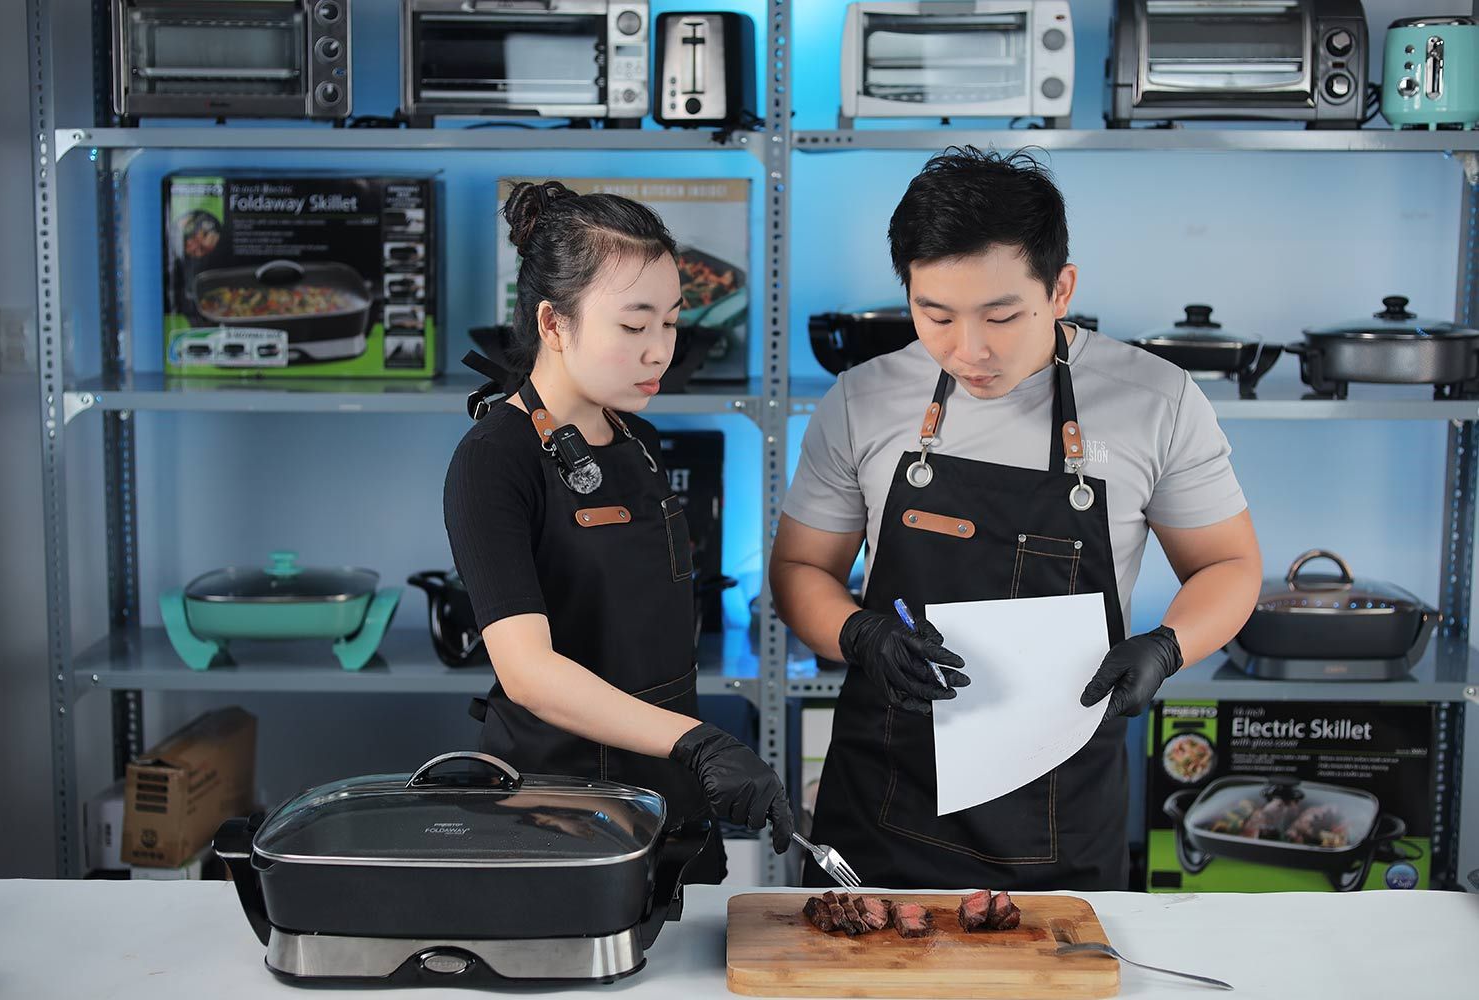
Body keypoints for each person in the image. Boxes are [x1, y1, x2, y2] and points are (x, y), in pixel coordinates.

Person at [769, 148, 1262, 891]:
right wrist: (856, 633)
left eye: (1002, 315)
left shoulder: (1156, 400)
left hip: (1060, 801)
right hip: (886, 795)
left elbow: (1228, 564)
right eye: (935, 315)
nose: (970, 350)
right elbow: (802, 569)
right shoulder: (860, 400)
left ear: (1061, 288)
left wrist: (1167, 647)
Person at [445, 180, 792, 882]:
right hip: (558, 812)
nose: (660, 350)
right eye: (634, 327)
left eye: (670, 322)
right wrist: (698, 743)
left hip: (671, 796)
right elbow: (530, 673)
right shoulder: (493, 461)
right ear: (553, 324)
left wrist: (690, 759)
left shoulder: (639, 439)